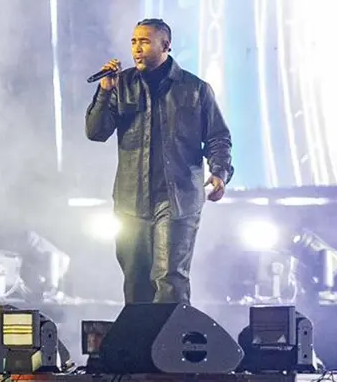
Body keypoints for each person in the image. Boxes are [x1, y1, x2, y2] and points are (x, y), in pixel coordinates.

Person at [85, 18, 233, 304]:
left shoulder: (195, 89)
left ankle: (169, 347)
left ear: (165, 46)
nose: (136, 48)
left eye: (144, 41)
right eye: (133, 41)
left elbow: (218, 137)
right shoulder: (120, 84)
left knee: (169, 280)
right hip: (131, 200)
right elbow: (96, 132)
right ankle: (139, 348)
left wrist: (219, 173)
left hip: (177, 198)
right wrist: (104, 91)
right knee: (136, 281)